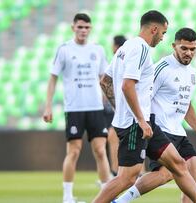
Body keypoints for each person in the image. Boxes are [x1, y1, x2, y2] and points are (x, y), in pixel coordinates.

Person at [93, 10, 196, 203]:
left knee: (178, 165)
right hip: (136, 123)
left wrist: (120, 109)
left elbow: (105, 82)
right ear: (154, 29)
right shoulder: (142, 49)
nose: (163, 38)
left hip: (142, 121)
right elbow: (127, 85)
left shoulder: (125, 47)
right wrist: (138, 118)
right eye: (163, 33)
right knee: (127, 178)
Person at [115, 28, 196, 203]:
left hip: (178, 131)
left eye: (192, 49)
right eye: (184, 48)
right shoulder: (162, 68)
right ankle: (121, 201)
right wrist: (142, 122)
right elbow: (143, 95)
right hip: (161, 130)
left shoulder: (192, 73)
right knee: (167, 173)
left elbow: (186, 104)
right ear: (174, 46)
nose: (188, 53)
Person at [42, 13, 111, 203]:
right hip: (74, 108)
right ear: (73, 27)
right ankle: (67, 197)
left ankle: (107, 195)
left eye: (86, 27)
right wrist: (48, 106)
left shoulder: (97, 50)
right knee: (73, 151)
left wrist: (112, 102)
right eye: (80, 27)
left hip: (95, 108)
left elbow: (103, 79)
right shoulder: (64, 49)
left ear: (90, 29)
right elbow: (53, 77)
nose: (83, 31)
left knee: (100, 150)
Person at [104, 35, 127, 176]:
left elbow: (105, 82)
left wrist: (115, 104)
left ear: (116, 46)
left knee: (113, 136)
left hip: (124, 107)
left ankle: (115, 172)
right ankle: (137, 172)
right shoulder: (123, 60)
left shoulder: (119, 60)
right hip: (123, 106)